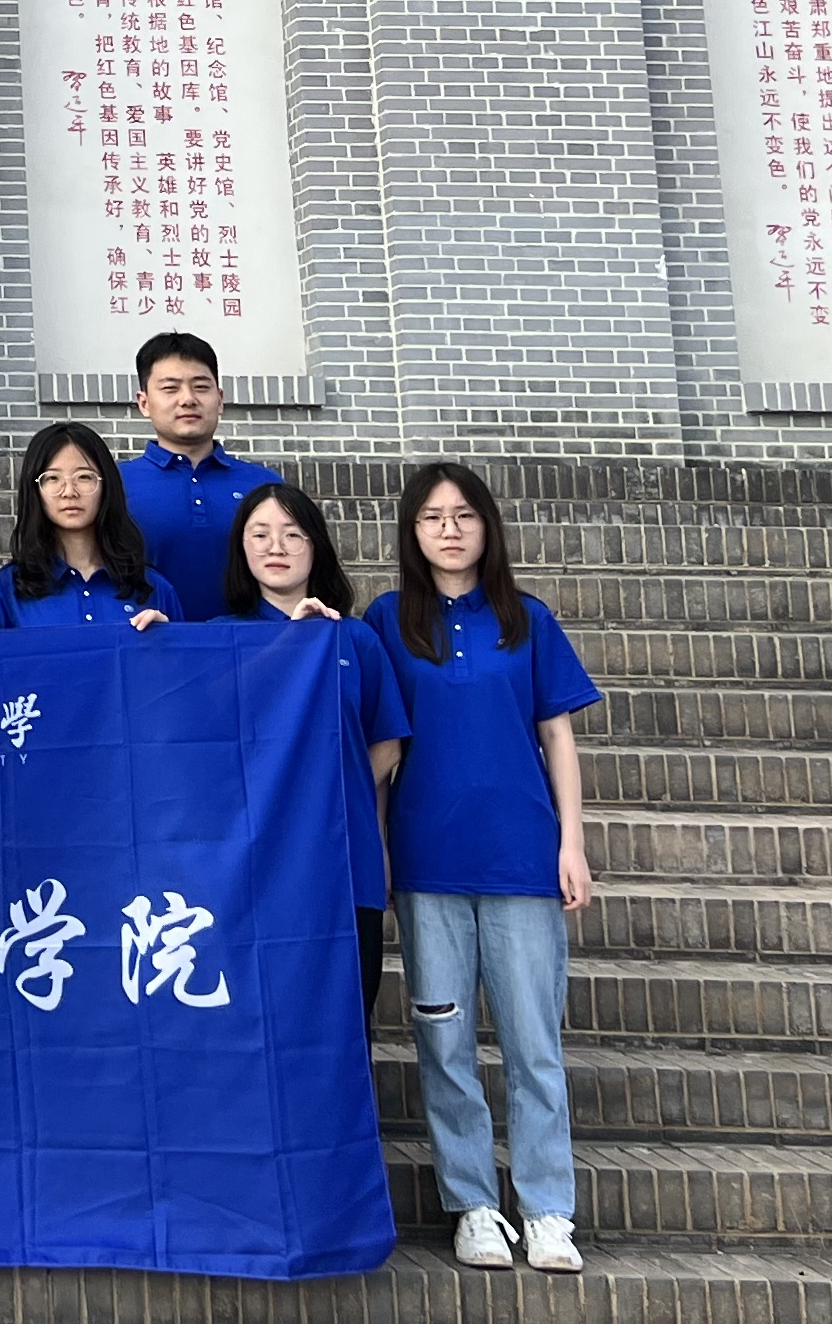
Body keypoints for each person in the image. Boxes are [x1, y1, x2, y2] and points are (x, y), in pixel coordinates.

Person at [365, 461, 601, 1279]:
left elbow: (558, 737)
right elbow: (379, 743)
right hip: (427, 863)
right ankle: (472, 1204)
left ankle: (547, 1208)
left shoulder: (525, 618)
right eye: (432, 517)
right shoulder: (388, 620)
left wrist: (571, 843)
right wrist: (381, 848)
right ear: (412, 532)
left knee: (534, 1043)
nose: (450, 529)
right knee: (444, 1042)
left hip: (522, 859)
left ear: (487, 527)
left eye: (464, 515)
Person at [224, 475, 405, 1031]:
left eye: (292, 533)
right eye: (260, 534)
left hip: (344, 852)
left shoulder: (356, 639)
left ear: (316, 546)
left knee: (345, 1018)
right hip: (256, 857)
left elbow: (386, 744)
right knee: (264, 1018)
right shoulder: (218, 640)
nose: (276, 546)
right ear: (241, 550)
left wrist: (329, 791)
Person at [117, 330, 281, 625]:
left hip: (253, 645)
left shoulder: (265, 486)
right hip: (150, 643)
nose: (188, 399)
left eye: (201, 387)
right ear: (144, 403)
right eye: (170, 388)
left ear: (220, 399)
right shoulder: (114, 485)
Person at [0, 420, 177, 630]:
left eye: (84, 477)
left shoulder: (153, 588)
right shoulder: (4, 591)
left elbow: (183, 651)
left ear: (106, 485)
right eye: (52, 478)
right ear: (34, 490)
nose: (69, 492)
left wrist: (165, 638)